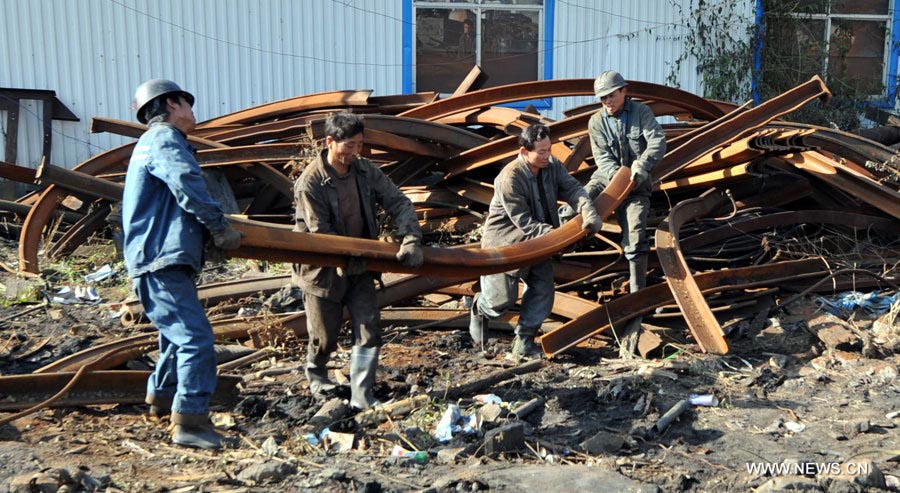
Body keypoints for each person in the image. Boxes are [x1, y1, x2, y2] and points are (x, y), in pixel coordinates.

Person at [123, 79, 243, 450]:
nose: (193, 111)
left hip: (159, 256)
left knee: (177, 338)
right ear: (171, 104)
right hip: (161, 257)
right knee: (196, 340)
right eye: (188, 104)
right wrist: (219, 226)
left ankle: (161, 399)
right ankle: (191, 423)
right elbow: (186, 182)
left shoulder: (153, 143)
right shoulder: (164, 140)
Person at [292, 112, 424, 410]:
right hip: (322, 272)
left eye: (360, 145)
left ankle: (361, 394)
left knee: (369, 328)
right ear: (329, 142)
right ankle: (318, 376)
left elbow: (398, 201)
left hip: (361, 268)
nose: (355, 152)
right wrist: (355, 257)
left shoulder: (365, 171)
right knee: (324, 336)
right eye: (349, 146)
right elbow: (321, 235)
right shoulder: (310, 182)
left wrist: (411, 237)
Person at [469, 123, 603, 361]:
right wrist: (559, 237)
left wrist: (588, 210)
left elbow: (573, 189)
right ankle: (479, 307)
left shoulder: (552, 167)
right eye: (540, 151)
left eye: (549, 149)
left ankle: (524, 342)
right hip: (506, 245)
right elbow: (524, 222)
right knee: (501, 301)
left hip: (540, 242)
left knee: (542, 290)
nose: (546, 155)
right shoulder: (509, 178)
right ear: (524, 152)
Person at [585, 70, 666, 358]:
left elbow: (657, 141)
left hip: (638, 186)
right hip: (606, 179)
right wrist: (617, 179)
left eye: (610, 95)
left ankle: (636, 299)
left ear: (624, 92)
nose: (607, 101)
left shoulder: (641, 112)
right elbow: (602, 159)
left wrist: (641, 166)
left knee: (635, 235)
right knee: (580, 203)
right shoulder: (596, 121)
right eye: (602, 98)